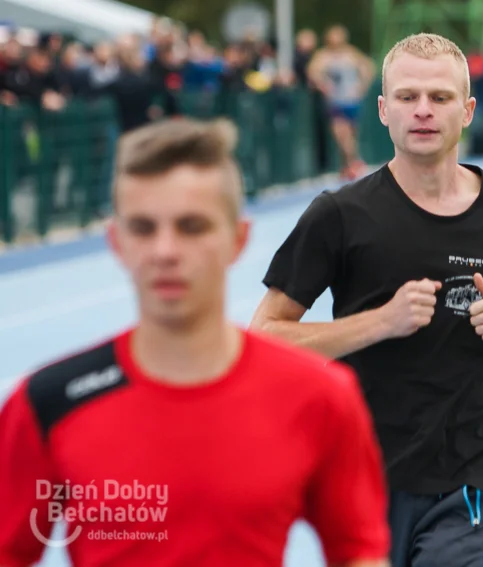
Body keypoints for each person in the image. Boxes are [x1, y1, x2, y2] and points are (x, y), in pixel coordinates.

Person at [251, 33, 483, 567]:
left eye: (440, 97)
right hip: (361, 476)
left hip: (467, 475)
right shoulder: (338, 216)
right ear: (384, 111)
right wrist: (378, 323)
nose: (423, 111)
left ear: (468, 110)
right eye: (408, 97)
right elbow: (264, 338)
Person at [0, 118, 390, 567]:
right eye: (144, 228)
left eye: (191, 227)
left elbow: (358, 552)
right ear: (117, 241)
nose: (166, 250)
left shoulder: (320, 399)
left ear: (238, 239)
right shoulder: (49, 403)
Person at [307, 24, 375, 180]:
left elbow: (368, 67)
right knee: (340, 134)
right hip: (335, 101)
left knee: (350, 135)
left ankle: (349, 164)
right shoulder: (323, 56)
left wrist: (362, 86)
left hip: (351, 100)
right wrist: (323, 85)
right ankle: (353, 162)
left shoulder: (351, 53)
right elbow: (312, 72)